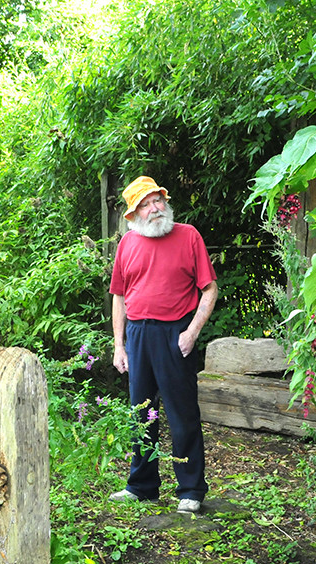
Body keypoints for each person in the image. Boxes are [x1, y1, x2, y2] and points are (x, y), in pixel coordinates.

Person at [108, 176, 218, 514]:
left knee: (182, 414)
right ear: (132, 215)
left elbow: (209, 289)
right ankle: (142, 486)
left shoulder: (189, 236)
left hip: (175, 334)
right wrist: (119, 346)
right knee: (141, 414)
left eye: (157, 200)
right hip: (138, 335)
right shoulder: (127, 244)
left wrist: (192, 332)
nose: (154, 208)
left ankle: (191, 489)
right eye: (145, 204)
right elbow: (119, 297)